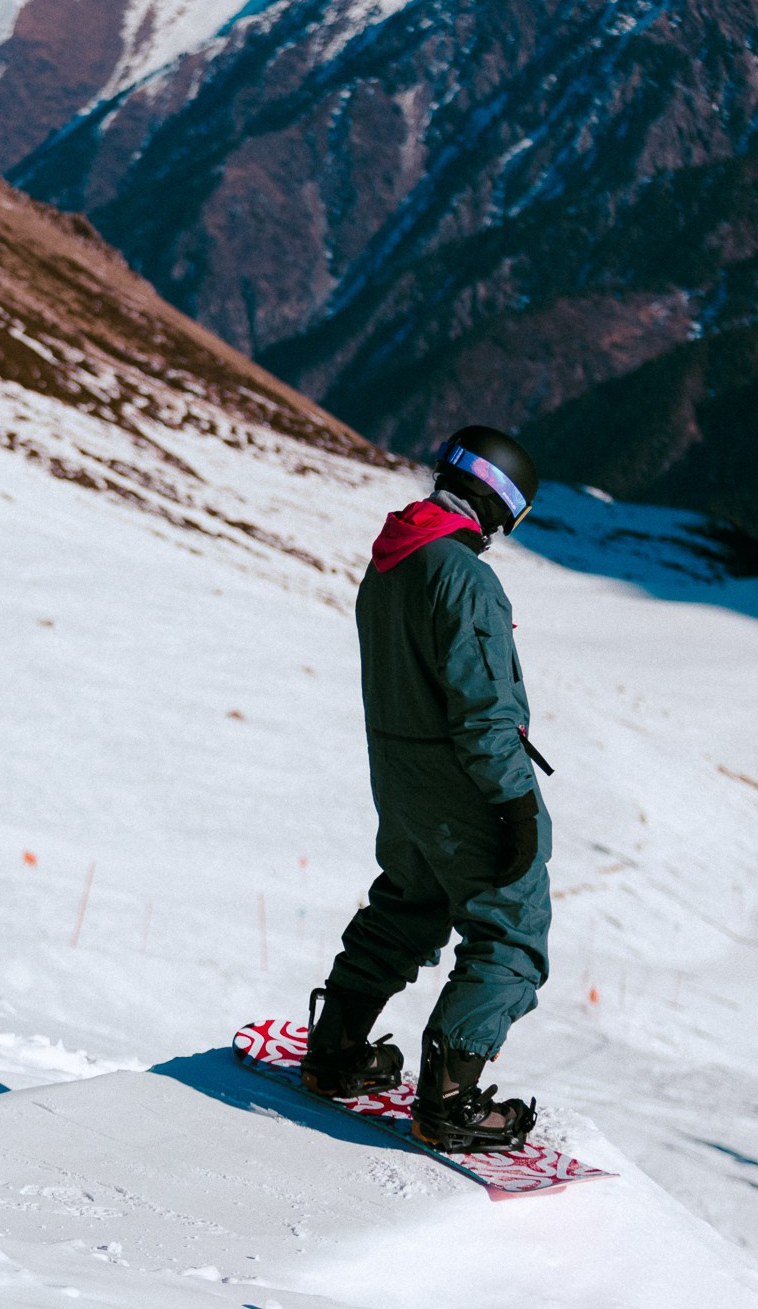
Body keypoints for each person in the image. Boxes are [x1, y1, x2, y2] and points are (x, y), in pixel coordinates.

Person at [300, 426, 550, 1154]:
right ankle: (449, 1100)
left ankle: (337, 1046)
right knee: (511, 928)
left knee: (411, 902)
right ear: (504, 507)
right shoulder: (464, 577)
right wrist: (514, 805)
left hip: (401, 780)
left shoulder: (391, 560)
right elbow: (486, 710)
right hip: (460, 785)